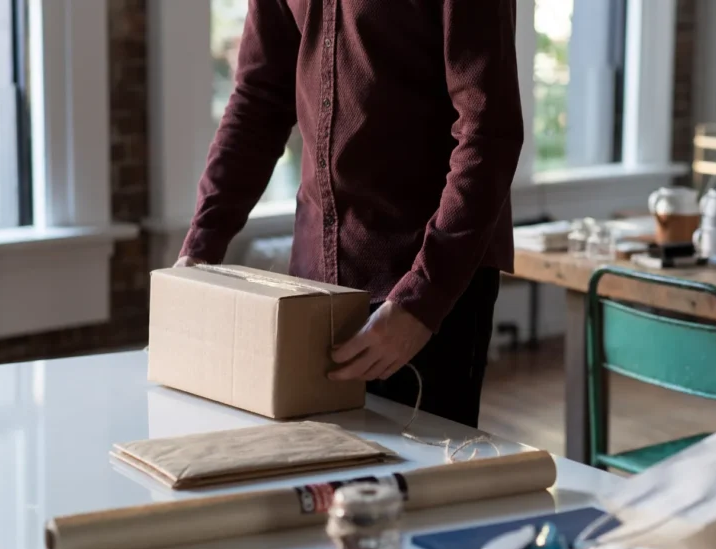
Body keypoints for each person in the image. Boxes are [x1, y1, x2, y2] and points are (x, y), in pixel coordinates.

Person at [174, 0, 525, 428]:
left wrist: (421, 302)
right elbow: (258, 101)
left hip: (427, 286)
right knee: (317, 482)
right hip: (313, 286)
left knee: (416, 488)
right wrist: (199, 250)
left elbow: (488, 132)